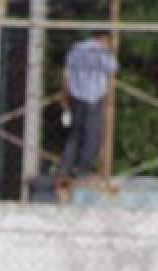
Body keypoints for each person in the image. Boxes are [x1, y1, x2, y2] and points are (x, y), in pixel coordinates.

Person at [58, 31, 118, 188]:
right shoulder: (101, 52)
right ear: (104, 39)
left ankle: (64, 169)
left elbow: (67, 75)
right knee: (92, 137)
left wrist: (65, 95)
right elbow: (113, 69)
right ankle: (81, 169)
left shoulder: (76, 50)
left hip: (77, 97)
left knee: (75, 135)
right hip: (94, 98)